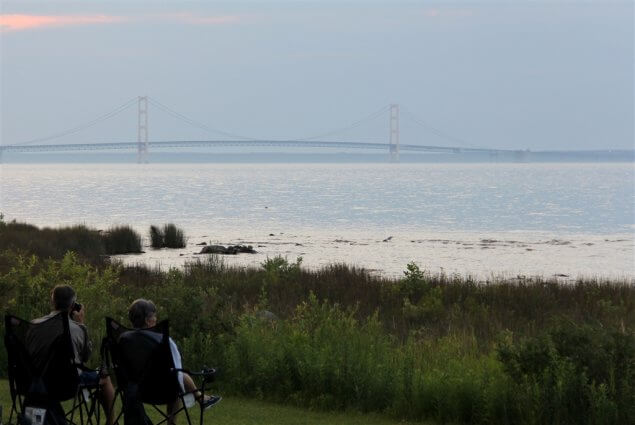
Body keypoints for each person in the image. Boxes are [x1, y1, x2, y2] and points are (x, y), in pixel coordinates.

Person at [31, 285, 115, 425]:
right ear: (73, 305)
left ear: (53, 302)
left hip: (35, 384)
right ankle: (111, 423)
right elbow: (85, 357)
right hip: (66, 385)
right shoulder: (77, 328)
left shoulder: (34, 325)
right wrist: (81, 323)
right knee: (105, 378)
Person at [127, 299, 221, 413]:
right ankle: (198, 399)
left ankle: (201, 398)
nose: (156, 319)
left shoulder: (124, 339)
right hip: (161, 391)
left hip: (133, 391)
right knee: (175, 377)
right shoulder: (162, 340)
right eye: (154, 316)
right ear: (148, 320)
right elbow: (177, 369)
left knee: (173, 376)